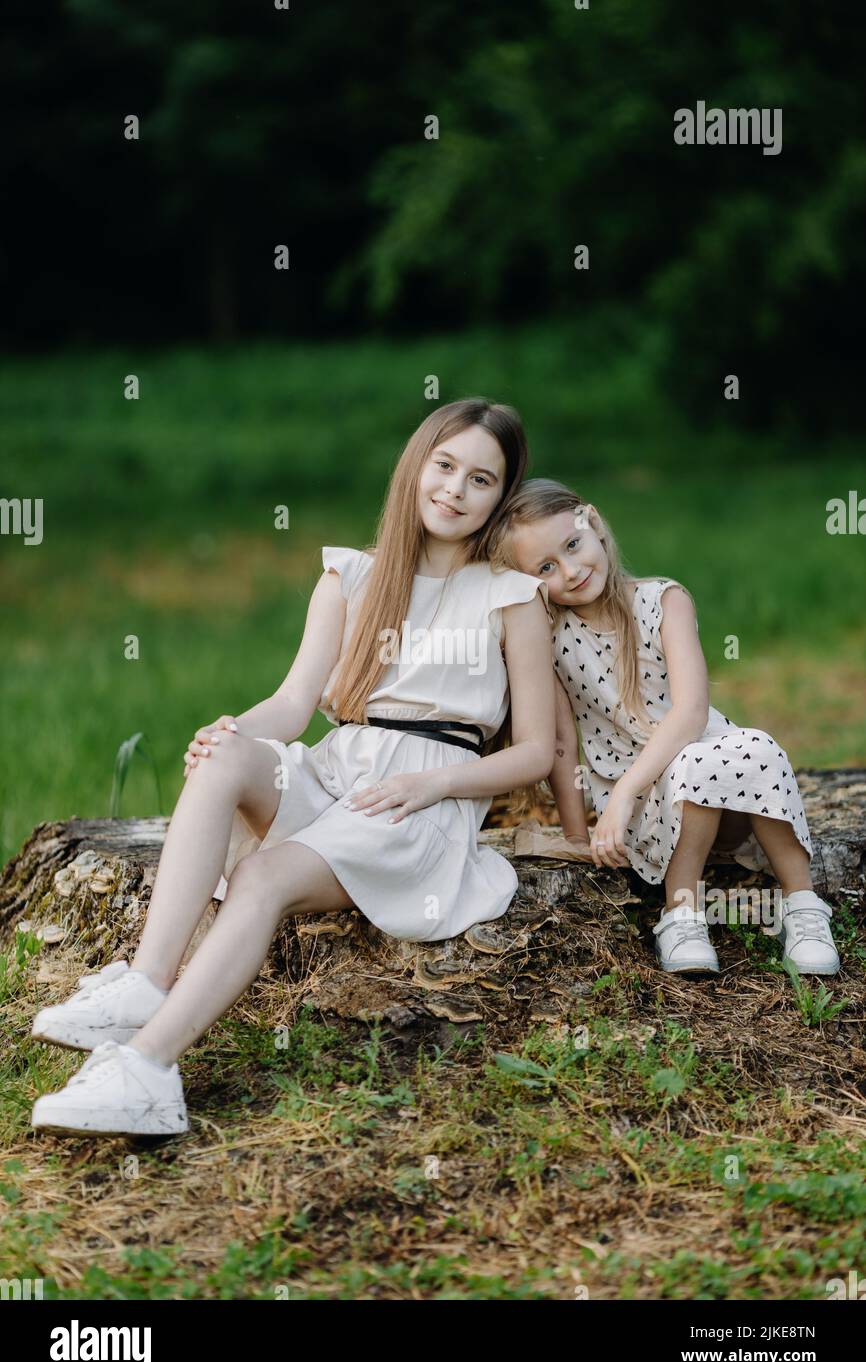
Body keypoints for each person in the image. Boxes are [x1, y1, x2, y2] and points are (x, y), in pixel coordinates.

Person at [30, 399, 555, 1136]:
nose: (455, 490)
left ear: (500, 498)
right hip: (336, 770)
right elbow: (291, 703)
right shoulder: (352, 576)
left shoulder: (510, 597)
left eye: (481, 479)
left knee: (262, 878)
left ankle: (149, 1069)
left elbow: (536, 751)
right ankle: (145, 982)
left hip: (418, 804)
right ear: (416, 466)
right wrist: (228, 730)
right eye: (444, 466)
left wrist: (433, 784)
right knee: (225, 762)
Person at [489, 477, 840, 977]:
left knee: (753, 745)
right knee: (695, 761)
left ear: (593, 522)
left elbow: (693, 712)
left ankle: (803, 908)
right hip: (645, 814)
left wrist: (629, 788)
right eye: (546, 567)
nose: (570, 570)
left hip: (717, 782)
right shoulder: (550, 638)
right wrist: (575, 832)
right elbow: (563, 744)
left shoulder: (663, 601)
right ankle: (681, 913)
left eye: (572, 545)